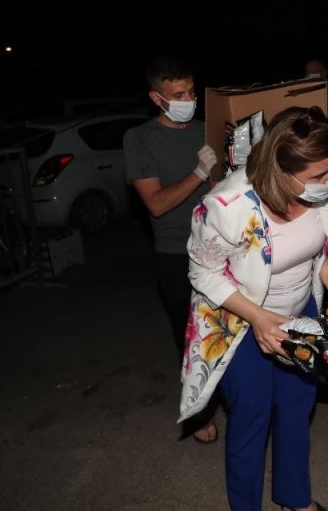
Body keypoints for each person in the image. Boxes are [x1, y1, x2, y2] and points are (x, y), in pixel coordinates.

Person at [179, 106, 328, 511]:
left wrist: (322, 261)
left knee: (296, 408)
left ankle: (294, 497)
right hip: (241, 323)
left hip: (300, 313)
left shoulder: (313, 191)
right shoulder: (228, 206)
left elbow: (307, 239)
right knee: (251, 419)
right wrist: (256, 316)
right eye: (320, 175)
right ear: (282, 172)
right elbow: (202, 272)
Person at [123, 55, 220, 444]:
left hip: (219, 245)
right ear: (156, 97)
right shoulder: (139, 139)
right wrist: (198, 173)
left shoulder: (207, 128)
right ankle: (200, 414)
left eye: (191, 91)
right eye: (178, 94)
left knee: (229, 330)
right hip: (176, 252)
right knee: (192, 339)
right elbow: (156, 204)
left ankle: (234, 396)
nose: (188, 99)